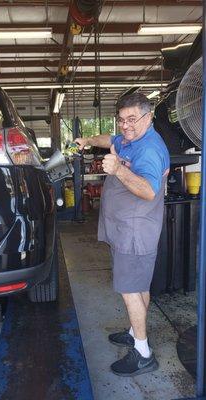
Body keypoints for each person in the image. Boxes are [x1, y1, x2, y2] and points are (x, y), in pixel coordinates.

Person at [75, 92, 170, 377]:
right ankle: (134, 332)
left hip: (135, 232)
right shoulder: (129, 139)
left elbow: (148, 190)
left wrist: (117, 169)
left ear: (148, 117)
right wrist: (89, 141)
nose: (126, 126)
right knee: (139, 285)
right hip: (124, 227)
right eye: (121, 120)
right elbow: (111, 140)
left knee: (130, 290)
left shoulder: (149, 149)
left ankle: (143, 353)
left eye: (132, 119)